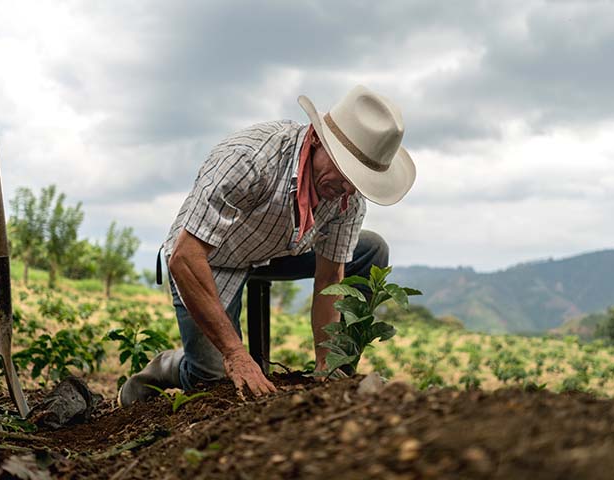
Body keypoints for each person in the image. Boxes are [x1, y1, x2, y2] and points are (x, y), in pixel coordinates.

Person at [118, 85, 416, 406]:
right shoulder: (249, 160)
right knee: (214, 377)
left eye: (357, 181)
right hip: (211, 257)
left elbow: (330, 278)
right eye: (345, 172)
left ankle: (340, 377)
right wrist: (235, 354)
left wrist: (326, 368)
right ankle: (167, 366)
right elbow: (185, 257)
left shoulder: (347, 197)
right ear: (317, 140)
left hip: (278, 249)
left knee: (371, 249)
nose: (347, 189)